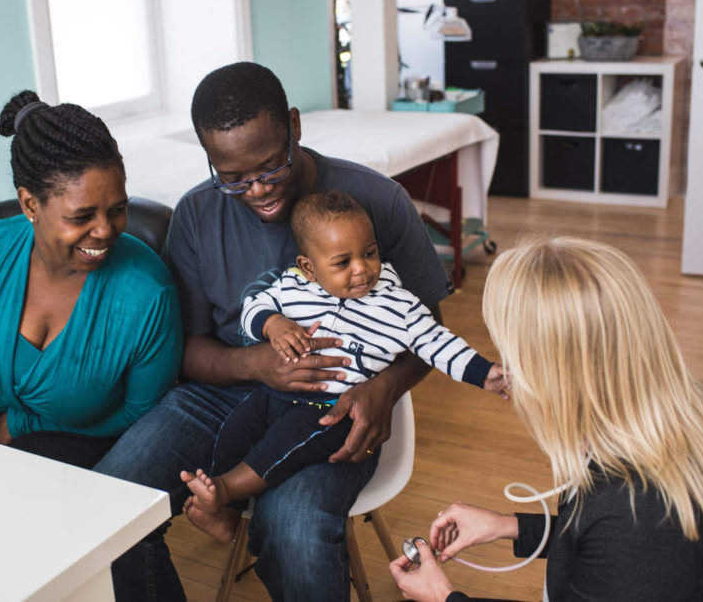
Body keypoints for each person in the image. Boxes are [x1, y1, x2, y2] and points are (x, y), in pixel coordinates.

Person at [93, 61, 508, 601]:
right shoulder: (197, 214)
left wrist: (381, 389)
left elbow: (426, 333)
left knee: (295, 531)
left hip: (334, 406)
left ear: (294, 126)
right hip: (224, 397)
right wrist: (254, 363)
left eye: (270, 167)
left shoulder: (375, 201)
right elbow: (188, 350)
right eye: (233, 177)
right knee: (109, 501)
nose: (257, 190)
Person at [389, 237, 703, 602]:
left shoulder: (637, 513)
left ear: (559, 371)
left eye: (516, 356)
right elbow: (601, 553)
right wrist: (511, 526)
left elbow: (621, 542)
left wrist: (444, 598)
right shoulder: (668, 425)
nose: (511, 373)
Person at [181, 189, 504, 541]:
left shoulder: (399, 305)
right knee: (235, 429)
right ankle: (225, 516)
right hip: (275, 393)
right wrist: (272, 324)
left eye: (369, 253)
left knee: (283, 444)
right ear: (309, 267)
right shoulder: (293, 285)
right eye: (342, 262)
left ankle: (225, 491)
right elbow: (254, 308)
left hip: (332, 409)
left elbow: (439, 344)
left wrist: (485, 374)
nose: (361, 269)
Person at [0, 90, 183, 469]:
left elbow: (141, 415)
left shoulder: (148, 294)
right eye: (81, 216)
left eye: (118, 209)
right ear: (30, 204)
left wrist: (23, 423)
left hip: (85, 445)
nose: (106, 230)